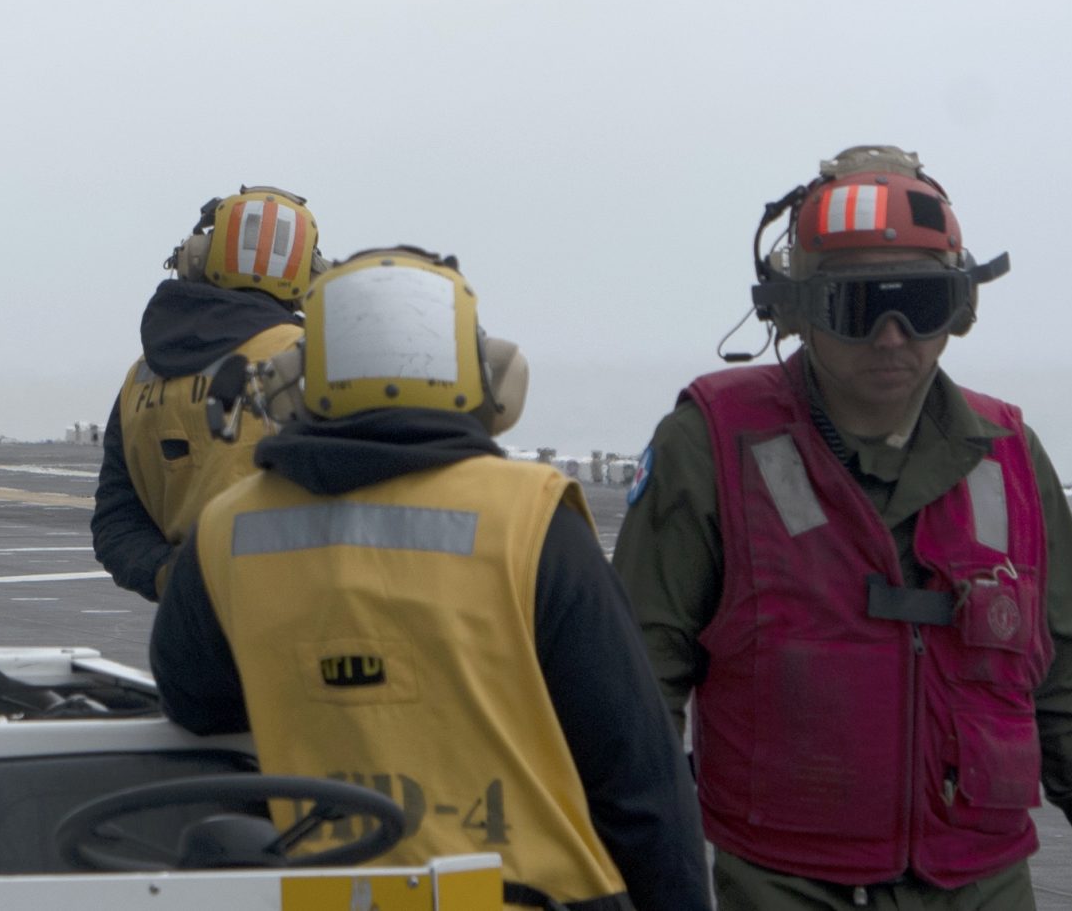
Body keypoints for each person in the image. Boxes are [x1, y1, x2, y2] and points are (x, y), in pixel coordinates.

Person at [612, 146, 1072, 910]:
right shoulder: (713, 442)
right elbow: (640, 676)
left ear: (959, 307)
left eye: (918, 304)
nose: (892, 338)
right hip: (784, 881)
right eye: (860, 306)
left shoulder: (1010, 453)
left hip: (982, 880)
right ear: (795, 312)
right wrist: (640, 862)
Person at [151, 246, 709, 908]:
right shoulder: (529, 517)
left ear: (298, 379)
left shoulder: (229, 529)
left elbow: (195, 699)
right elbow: (639, 784)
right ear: (485, 378)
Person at [91, 187, 322, 601]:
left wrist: (175, 578)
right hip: (302, 617)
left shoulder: (140, 378)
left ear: (195, 258)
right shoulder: (316, 359)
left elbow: (116, 523)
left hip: (193, 633)